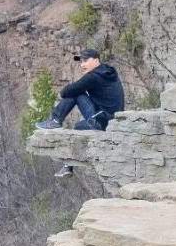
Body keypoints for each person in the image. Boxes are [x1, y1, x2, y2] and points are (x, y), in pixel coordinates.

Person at [35, 49, 125, 177]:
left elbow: (66, 92)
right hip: (112, 120)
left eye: (85, 61)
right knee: (78, 126)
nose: (82, 64)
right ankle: (68, 166)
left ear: (96, 60)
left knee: (75, 94)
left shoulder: (93, 77)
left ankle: (55, 120)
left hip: (102, 121)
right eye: (81, 61)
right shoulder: (109, 71)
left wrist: (72, 88)